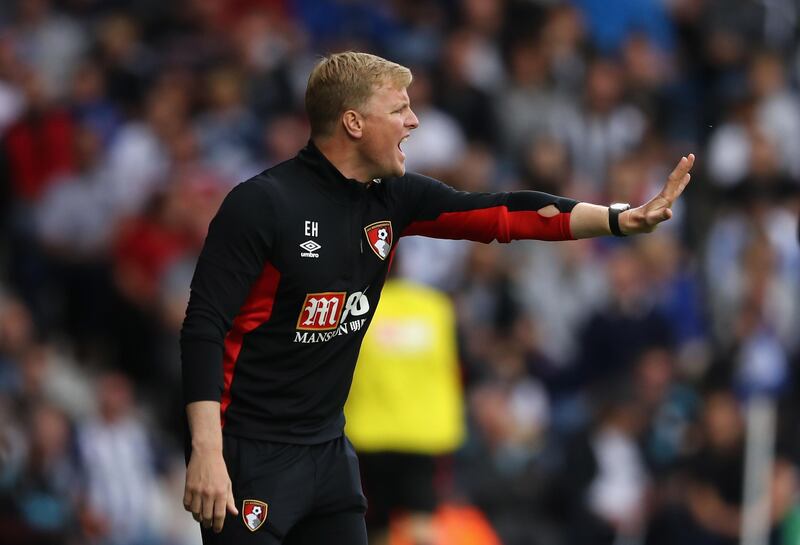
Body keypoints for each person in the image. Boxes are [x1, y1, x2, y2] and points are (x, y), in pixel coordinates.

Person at [180, 51, 695, 544]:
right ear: (354, 123)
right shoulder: (261, 205)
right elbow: (204, 325)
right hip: (247, 452)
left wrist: (618, 219)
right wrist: (207, 450)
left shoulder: (394, 199)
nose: (414, 121)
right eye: (399, 108)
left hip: (328, 453)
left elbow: (504, 213)